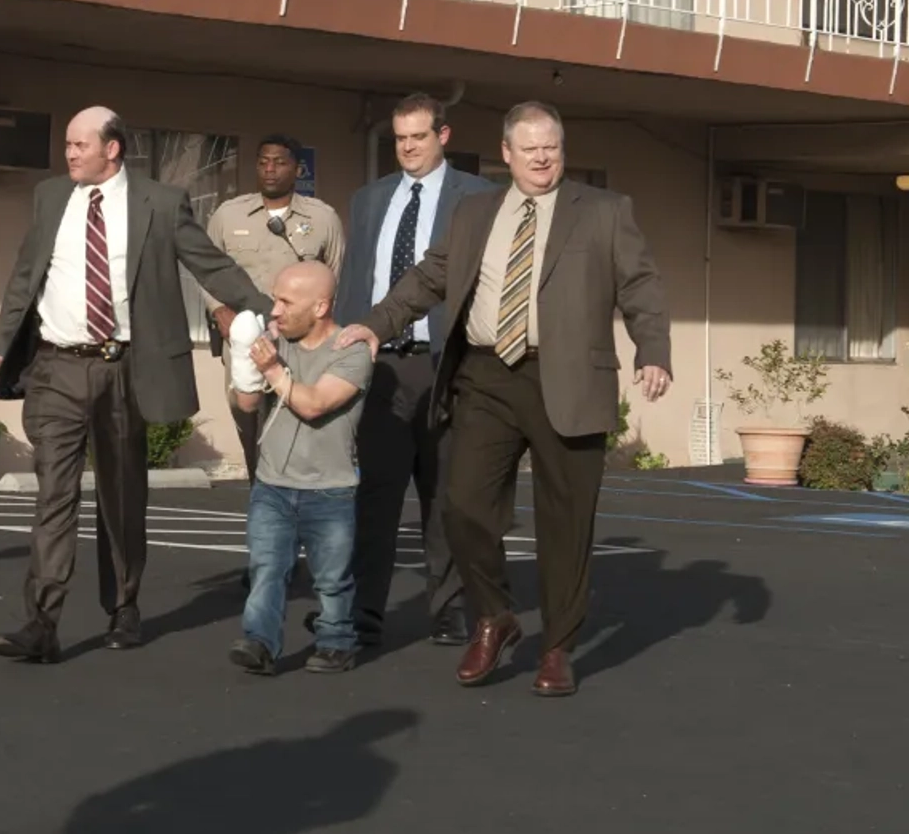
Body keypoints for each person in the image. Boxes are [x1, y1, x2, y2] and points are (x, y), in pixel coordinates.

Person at [338, 101, 671, 697]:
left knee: (564, 523)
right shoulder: (475, 212)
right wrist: (375, 324)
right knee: (461, 506)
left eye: (552, 147)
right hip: (486, 377)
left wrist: (653, 350)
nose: (543, 157)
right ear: (507, 154)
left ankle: (558, 648)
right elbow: (428, 277)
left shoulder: (603, 212)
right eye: (530, 148)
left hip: (566, 380)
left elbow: (640, 284)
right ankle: (493, 615)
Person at [0, 106, 270, 661]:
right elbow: (25, 276)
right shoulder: (49, 199)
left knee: (121, 494)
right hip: (57, 366)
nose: (69, 154)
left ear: (111, 149)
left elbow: (208, 264)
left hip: (123, 368)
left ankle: (123, 607)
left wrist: (266, 307)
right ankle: (41, 622)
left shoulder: (160, 204)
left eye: (79, 145)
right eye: (67, 144)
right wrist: (1, 343)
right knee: (54, 495)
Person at [332, 92, 499, 648]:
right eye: (400, 138)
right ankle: (365, 612)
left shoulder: (478, 198)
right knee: (375, 494)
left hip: (447, 366)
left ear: (443, 136)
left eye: (418, 137)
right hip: (384, 369)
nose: (406, 148)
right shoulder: (368, 199)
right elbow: (359, 279)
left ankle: (449, 608)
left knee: (444, 492)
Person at [225, 260, 371, 676]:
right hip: (272, 484)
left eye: (286, 302)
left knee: (331, 578)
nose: (275, 311)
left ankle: (336, 642)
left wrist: (271, 368)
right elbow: (248, 404)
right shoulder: (276, 340)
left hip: (330, 489)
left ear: (320, 306)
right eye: (274, 299)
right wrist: (244, 357)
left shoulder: (352, 350)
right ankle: (260, 642)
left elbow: (314, 404)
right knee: (266, 570)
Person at [205, 133, 343, 480]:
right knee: (247, 417)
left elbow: (335, 277)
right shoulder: (228, 214)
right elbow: (204, 268)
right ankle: (260, 490)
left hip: (298, 343)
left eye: (280, 162)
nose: (270, 169)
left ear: (297, 169)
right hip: (243, 341)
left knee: (292, 422)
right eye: (263, 161)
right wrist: (218, 309)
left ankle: (287, 495)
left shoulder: (323, 218)